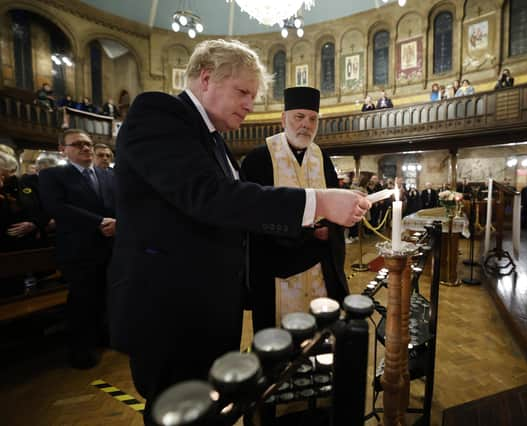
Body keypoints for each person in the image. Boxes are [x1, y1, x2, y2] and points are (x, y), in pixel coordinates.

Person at [106, 39, 370, 423]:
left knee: (205, 408)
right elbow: (212, 197)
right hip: (171, 309)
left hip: (207, 310)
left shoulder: (214, 141)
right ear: (206, 78)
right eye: (242, 92)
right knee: (177, 409)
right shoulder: (158, 113)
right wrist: (321, 204)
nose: (249, 104)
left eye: (253, 94)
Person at [241, 86, 349, 333]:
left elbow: (335, 206)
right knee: (280, 350)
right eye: (299, 117)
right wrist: (308, 234)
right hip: (277, 272)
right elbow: (253, 219)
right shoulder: (259, 159)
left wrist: (333, 225)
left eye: (313, 119)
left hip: (320, 271)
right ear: (283, 119)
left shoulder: (322, 158)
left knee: (320, 339)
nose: (306, 125)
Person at [39, 129, 116, 369]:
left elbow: (119, 203)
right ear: (63, 149)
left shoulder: (106, 175)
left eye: (88, 144)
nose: (86, 148)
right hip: (78, 249)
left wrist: (117, 222)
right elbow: (56, 207)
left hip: (110, 245)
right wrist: (98, 222)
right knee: (83, 301)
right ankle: (82, 349)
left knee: (106, 297)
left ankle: (104, 338)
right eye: (78, 144)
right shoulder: (53, 175)